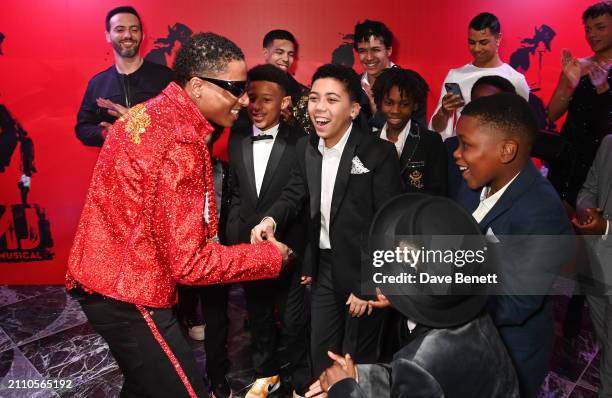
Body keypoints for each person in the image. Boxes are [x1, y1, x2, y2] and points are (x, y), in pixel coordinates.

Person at [66, 32, 290, 398]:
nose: (245, 99)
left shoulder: (146, 113)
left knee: (143, 387)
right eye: (235, 88)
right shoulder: (182, 140)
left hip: (104, 282)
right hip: (131, 293)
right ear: (198, 85)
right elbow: (190, 264)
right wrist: (269, 257)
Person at [251, 64, 402, 377]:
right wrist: (270, 219)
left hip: (363, 267)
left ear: (353, 109)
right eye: (315, 98)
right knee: (321, 350)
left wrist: (369, 283)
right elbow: (295, 193)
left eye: (332, 100)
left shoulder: (379, 153)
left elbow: (389, 223)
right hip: (326, 268)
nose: (320, 108)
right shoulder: (307, 147)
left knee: (357, 360)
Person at [306, 194, 519, 398]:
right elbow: (410, 379)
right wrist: (359, 377)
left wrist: (342, 388)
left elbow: (422, 371)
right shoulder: (466, 316)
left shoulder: (426, 360)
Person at [454, 93, 573, 397]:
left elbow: (514, 302)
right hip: (461, 345)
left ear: (506, 150)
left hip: (506, 356)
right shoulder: (472, 184)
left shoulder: (542, 212)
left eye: (466, 145)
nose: (457, 154)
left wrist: (431, 299)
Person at [227, 64, 311, 397]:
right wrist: (237, 235)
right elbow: (235, 191)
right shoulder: (236, 136)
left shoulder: (301, 142)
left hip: (287, 247)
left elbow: (299, 195)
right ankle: (266, 374)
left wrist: (303, 256)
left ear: (285, 102)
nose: (257, 106)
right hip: (250, 249)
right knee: (258, 315)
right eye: (251, 97)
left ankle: (302, 381)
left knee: (293, 322)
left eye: (267, 99)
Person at [175, 125, 234, 398]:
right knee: (176, 319)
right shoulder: (171, 170)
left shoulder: (225, 171)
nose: (200, 137)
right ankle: (177, 381)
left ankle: (218, 379)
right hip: (179, 257)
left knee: (217, 319)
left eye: (206, 132)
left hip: (214, 257)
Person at [75, 6, 174, 147]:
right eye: (120, 30)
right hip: (116, 166)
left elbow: (183, 123)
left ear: (142, 35)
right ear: (108, 36)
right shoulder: (97, 83)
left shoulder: (166, 77)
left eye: (134, 30)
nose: (128, 35)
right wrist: (107, 134)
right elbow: (83, 128)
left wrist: (137, 122)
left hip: (161, 165)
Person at [547, 1, 612, 210]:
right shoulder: (578, 66)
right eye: (588, 29)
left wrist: (603, 88)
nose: (592, 34)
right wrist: (569, 85)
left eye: (600, 27)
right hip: (569, 156)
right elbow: (552, 114)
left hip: (602, 162)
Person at [429, 12, 530, 141]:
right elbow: (437, 129)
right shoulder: (455, 75)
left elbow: (522, 129)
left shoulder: (515, 80)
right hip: (461, 151)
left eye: (483, 42)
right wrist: (444, 112)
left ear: (498, 39)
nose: (476, 48)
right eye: (471, 42)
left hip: (497, 154)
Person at [573, 134, 612, 398]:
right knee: (607, 344)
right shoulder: (609, 142)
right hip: (598, 264)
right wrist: (587, 210)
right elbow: (589, 188)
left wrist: (606, 227)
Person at [372, 68, 447, 196]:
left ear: (415, 105)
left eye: (404, 104)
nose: (395, 110)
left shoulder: (431, 141)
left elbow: (439, 191)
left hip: (417, 213)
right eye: (389, 103)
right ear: (379, 102)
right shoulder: (368, 141)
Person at [445, 75, 517, 199]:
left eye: (490, 105)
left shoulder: (514, 155)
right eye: (476, 103)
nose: (480, 110)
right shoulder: (450, 146)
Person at [352, 20, 427, 129]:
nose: (369, 57)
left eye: (375, 50)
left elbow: (419, 134)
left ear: (389, 50)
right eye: (362, 51)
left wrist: (378, 114)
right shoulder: (353, 86)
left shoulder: (411, 84)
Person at [262, 29, 308, 119]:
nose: (286, 59)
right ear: (266, 53)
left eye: (290, 54)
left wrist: (291, 119)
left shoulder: (302, 94)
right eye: (279, 52)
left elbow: (307, 130)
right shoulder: (247, 87)